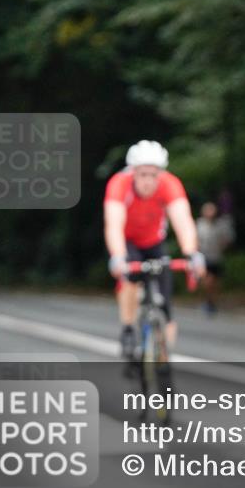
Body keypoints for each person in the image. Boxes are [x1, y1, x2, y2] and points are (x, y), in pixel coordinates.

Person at [104, 140, 206, 357]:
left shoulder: (170, 184)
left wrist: (191, 254)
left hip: (153, 242)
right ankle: (129, 328)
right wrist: (118, 257)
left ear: (160, 173)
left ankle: (163, 358)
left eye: (153, 175)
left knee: (166, 299)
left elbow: (183, 221)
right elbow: (113, 224)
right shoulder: (119, 184)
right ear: (133, 173)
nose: (149, 181)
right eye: (143, 175)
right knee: (130, 277)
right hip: (127, 241)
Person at [196, 200, 235, 315]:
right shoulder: (200, 224)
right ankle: (208, 301)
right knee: (208, 281)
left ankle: (212, 302)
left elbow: (227, 240)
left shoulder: (220, 225)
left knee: (215, 283)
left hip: (217, 257)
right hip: (204, 258)